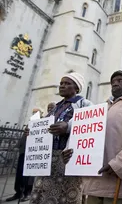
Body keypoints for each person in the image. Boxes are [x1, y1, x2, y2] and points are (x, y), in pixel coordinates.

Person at [62, 70, 122, 204]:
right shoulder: (99, 108)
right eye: (113, 82)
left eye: (120, 81)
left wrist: (119, 164)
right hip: (93, 184)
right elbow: (82, 135)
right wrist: (69, 151)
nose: (115, 84)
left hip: (119, 183)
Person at [27, 72, 93, 204]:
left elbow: (90, 122)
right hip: (48, 158)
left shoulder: (84, 104)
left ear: (76, 88)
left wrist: (68, 127)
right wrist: (33, 131)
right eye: (61, 83)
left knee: (66, 195)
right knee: (42, 194)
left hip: (67, 158)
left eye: (67, 84)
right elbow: (45, 127)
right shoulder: (56, 107)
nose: (62, 86)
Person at [6, 108, 43, 202]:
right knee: (19, 173)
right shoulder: (30, 123)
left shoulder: (42, 123)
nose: (34, 114)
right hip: (23, 152)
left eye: (36, 112)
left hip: (32, 153)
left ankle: (27, 193)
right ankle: (18, 192)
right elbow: (24, 137)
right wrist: (17, 146)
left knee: (28, 175)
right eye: (33, 112)